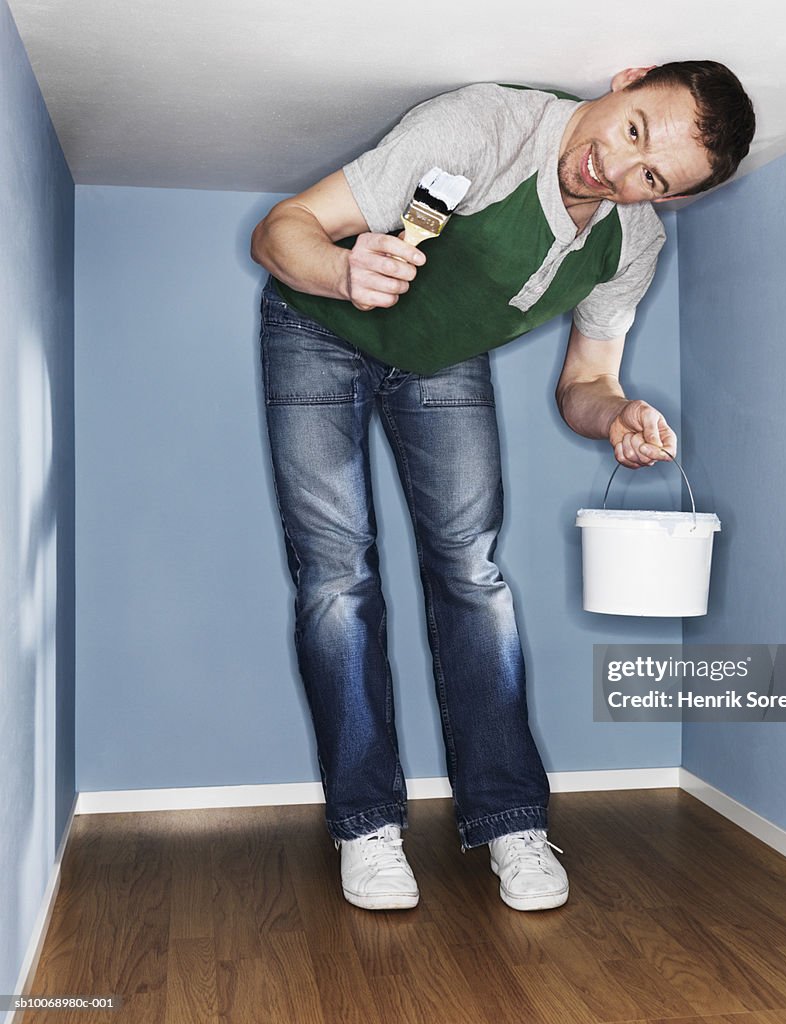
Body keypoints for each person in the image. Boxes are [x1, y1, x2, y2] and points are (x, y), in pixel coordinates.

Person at [250, 61, 754, 913]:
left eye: (652, 177)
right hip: (317, 327)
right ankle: (366, 825)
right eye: (633, 129)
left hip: (439, 359)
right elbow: (282, 227)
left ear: (671, 197)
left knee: (472, 577)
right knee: (337, 578)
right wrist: (338, 274)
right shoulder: (481, 126)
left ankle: (510, 819)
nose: (618, 170)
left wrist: (620, 414)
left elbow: (583, 383)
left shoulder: (631, 245)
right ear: (627, 80)